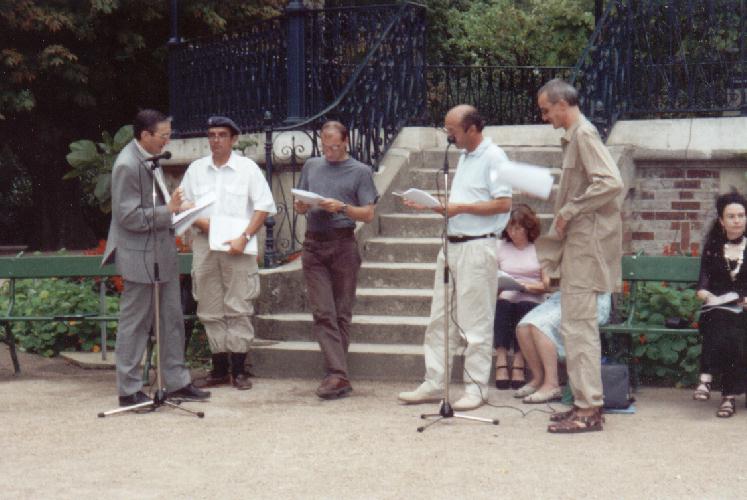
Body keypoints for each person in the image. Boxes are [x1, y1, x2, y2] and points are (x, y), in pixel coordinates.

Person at [398, 104, 512, 411]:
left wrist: (461, 208)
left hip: (477, 248)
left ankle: (476, 388)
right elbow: (466, 202)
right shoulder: (463, 158)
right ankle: (435, 382)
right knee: (439, 318)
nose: (449, 137)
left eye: (453, 131)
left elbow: (503, 204)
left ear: (472, 129)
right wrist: (434, 206)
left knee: (475, 322)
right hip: (451, 246)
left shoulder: (494, 157)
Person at [102, 109, 210, 406]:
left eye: (168, 134)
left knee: (171, 319)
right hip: (140, 257)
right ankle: (128, 389)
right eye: (163, 136)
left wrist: (177, 206)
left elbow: (155, 202)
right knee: (135, 324)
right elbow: (127, 217)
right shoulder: (127, 164)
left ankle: (176, 382)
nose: (167, 140)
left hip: (161, 252)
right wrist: (169, 211)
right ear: (145, 135)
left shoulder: (150, 157)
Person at [535, 79, 623, 433]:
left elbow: (611, 182)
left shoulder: (583, 134)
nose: (544, 117)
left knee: (580, 327)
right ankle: (583, 403)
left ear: (561, 104)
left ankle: (588, 410)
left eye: (545, 110)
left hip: (587, 246)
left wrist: (571, 209)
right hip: (578, 245)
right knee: (574, 326)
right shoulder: (575, 136)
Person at [179, 116, 276, 390]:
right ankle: (219, 367)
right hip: (205, 242)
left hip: (238, 244)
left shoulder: (247, 169)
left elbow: (263, 206)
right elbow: (182, 202)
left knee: (239, 304)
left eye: (222, 135)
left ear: (233, 139)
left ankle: (239, 368)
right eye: (211, 135)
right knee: (209, 305)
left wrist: (245, 236)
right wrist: (201, 223)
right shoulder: (196, 169)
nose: (216, 140)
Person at [294, 121, 378, 400]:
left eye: (333, 145)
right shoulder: (312, 166)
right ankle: (338, 374)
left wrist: (341, 207)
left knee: (341, 311)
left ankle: (336, 374)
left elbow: (367, 214)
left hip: (343, 243)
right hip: (314, 243)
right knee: (323, 311)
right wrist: (302, 205)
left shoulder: (361, 171)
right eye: (324, 145)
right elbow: (300, 201)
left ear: (345, 143)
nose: (328, 150)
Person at [692, 192, 747, 418]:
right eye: (731, 216)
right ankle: (728, 398)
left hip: (744, 310)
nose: (737, 220)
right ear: (721, 221)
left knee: (731, 328)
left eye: (742, 215)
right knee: (725, 323)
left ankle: (706, 379)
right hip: (718, 311)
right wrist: (706, 295)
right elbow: (702, 284)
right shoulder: (713, 247)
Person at [515, 292, 611, 403]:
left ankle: (552, 384)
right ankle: (538, 379)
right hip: (564, 297)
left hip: (590, 300)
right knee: (523, 327)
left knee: (540, 327)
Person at [493, 204, 545, 390]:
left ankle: (519, 361)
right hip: (507, 293)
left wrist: (526, 287)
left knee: (523, 307)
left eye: (517, 228)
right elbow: (492, 276)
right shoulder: (501, 247)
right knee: (503, 305)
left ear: (528, 228)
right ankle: (500, 359)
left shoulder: (538, 249)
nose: (512, 232)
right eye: (509, 228)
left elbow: (546, 285)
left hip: (531, 296)